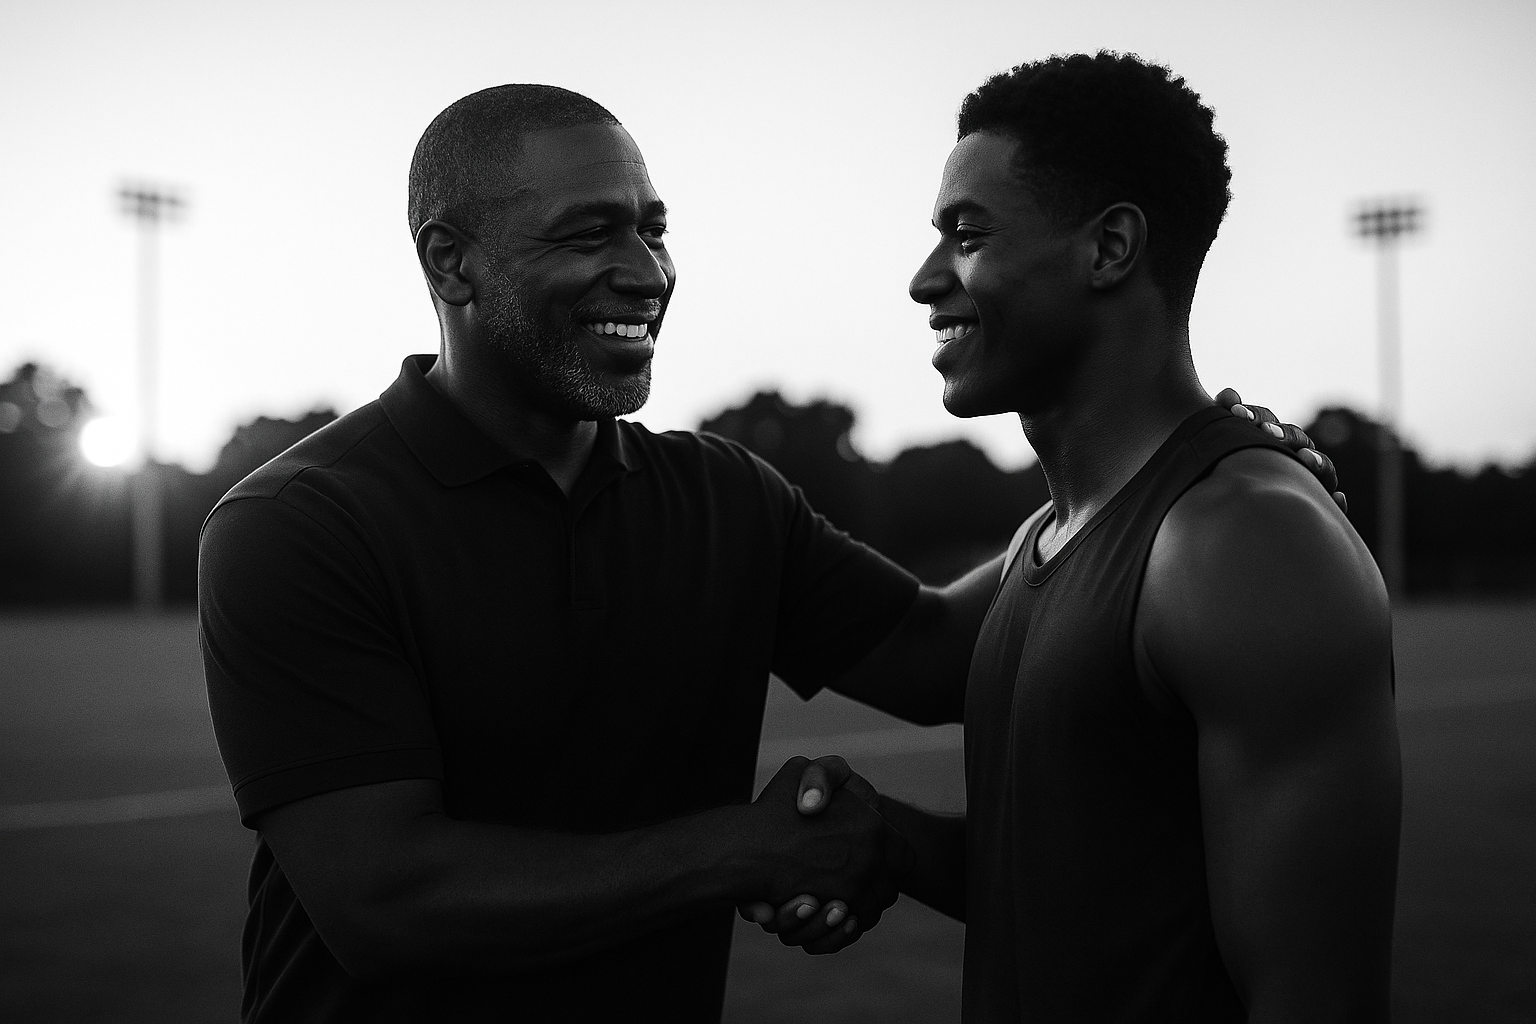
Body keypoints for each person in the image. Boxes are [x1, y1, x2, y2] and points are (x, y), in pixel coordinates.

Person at [198, 83, 1338, 1022]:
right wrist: (743, 849)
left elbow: (939, 650)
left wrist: (1166, 468)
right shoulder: (301, 521)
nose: (645, 270)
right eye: (590, 232)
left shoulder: (717, 496)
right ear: (451, 263)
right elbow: (384, 898)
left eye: (652, 226)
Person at [760, 52, 1401, 1023]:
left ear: (1109, 250)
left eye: (967, 234)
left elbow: (1314, 998)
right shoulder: (1053, 536)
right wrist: (883, 840)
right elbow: (1089, 893)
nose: (926, 279)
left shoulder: (1242, 540)